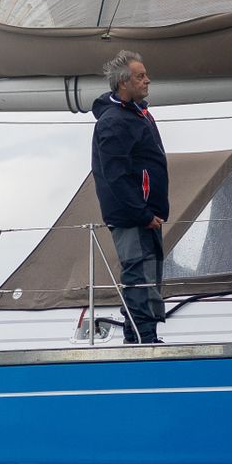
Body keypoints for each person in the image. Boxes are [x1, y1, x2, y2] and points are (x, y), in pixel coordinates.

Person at [90, 50, 169, 343]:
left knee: (148, 275)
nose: (147, 80)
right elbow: (114, 175)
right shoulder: (115, 121)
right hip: (134, 217)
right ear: (124, 83)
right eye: (140, 76)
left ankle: (142, 336)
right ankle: (141, 339)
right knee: (139, 276)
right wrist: (142, 213)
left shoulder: (138, 114)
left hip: (146, 214)